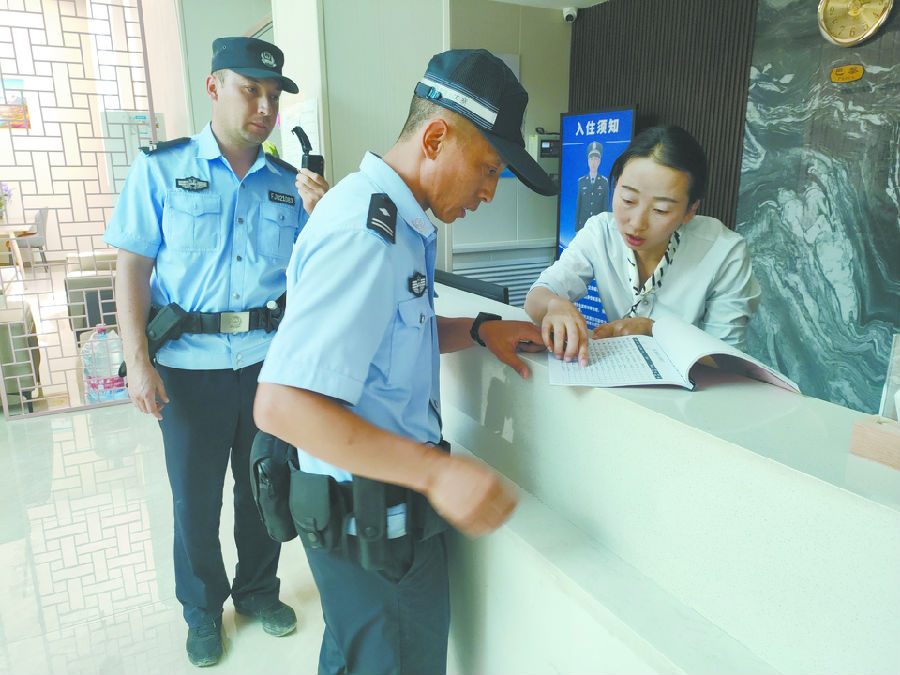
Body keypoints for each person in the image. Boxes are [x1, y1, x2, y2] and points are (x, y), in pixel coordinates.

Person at [253, 49, 556, 674]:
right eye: (488, 168)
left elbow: (386, 338)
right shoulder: (364, 234)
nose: (489, 191)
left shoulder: (392, 220)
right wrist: (438, 474)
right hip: (370, 527)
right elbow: (282, 405)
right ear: (436, 137)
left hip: (368, 520)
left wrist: (479, 329)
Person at [103, 37, 328, 667]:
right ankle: (202, 609)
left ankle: (258, 592)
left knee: (264, 486)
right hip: (187, 367)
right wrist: (138, 362)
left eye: (273, 95)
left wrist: (325, 214)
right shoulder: (161, 169)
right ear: (214, 87)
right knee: (194, 499)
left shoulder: (289, 184)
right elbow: (131, 268)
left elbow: (316, 277)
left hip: (265, 365)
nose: (265, 108)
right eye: (250, 90)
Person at [525, 125, 760, 366]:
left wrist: (654, 331)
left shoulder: (724, 252)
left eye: (661, 210)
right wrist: (554, 304)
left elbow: (727, 359)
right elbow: (536, 296)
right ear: (615, 186)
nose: (637, 224)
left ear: (690, 210)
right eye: (628, 200)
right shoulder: (601, 232)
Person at [574, 140, 609, 232]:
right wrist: (577, 228)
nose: (593, 162)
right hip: (583, 226)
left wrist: (604, 228)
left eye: (596, 159)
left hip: (598, 226)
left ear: (599, 161)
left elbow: (605, 208)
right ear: (588, 161)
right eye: (591, 159)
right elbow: (579, 206)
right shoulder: (581, 181)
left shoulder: (604, 182)